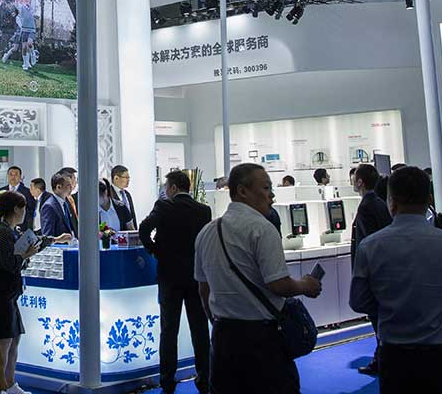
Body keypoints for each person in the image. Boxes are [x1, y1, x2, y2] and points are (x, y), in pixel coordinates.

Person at [349, 166, 442, 393]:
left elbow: (358, 302)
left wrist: (393, 304)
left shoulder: (369, 247)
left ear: (391, 202)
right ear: (429, 199)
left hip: (395, 359)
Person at [194, 163, 321, 393]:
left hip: (223, 339)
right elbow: (279, 284)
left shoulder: (207, 232)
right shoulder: (263, 229)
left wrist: (218, 323)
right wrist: (306, 285)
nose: (271, 195)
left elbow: (204, 290)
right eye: (266, 188)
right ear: (242, 191)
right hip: (262, 340)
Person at [139, 170, 211, 394]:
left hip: (169, 276)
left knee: (169, 331)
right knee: (200, 330)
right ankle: (204, 379)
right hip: (196, 276)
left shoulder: (163, 207)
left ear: (172, 188)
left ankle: (168, 382)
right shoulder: (203, 210)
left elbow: (144, 230)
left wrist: (156, 251)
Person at [0, 192, 40, 394]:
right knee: (4, 342)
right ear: (16, 209)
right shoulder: (3, 233)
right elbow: (9, 263)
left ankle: (9, 384)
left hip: (9, 293)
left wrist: (25, 256)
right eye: (23, 207)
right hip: (1, 293)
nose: (25, 212)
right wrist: (26, 255)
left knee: (14, 339)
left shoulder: (10, 231)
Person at [350, 163, 392, 376]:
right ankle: (383, 357)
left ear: (360, 182)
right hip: (383, 271)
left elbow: (368, 243)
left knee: (378, 320)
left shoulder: (366, 206)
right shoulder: (380, 203)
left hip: (374, 274)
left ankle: (382, 360)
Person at [39, 172, 76, 239]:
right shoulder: (49, 207)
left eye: (71, 185)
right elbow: (47, 236)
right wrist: (58, 239)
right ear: (58, 187)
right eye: (68, 185)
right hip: (59, 245)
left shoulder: (65, 203)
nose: (71, 187)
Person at [3, 165, 37, 231]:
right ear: (7, 176)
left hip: (22, 228)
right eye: (11, 174)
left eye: (16, 174)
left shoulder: (28, 192)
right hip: (5, 227)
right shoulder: (1, 191)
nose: (13, 177)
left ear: (20, 176)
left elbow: (31, 210)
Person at [111, 165, 137, 230]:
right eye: (126, 177)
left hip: (130, 232)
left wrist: (135, 232)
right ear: (116, 178)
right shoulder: (109, 195)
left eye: (129, 178)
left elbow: (132, 215)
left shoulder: (127, 194)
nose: (128, 180)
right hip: (117, 233)